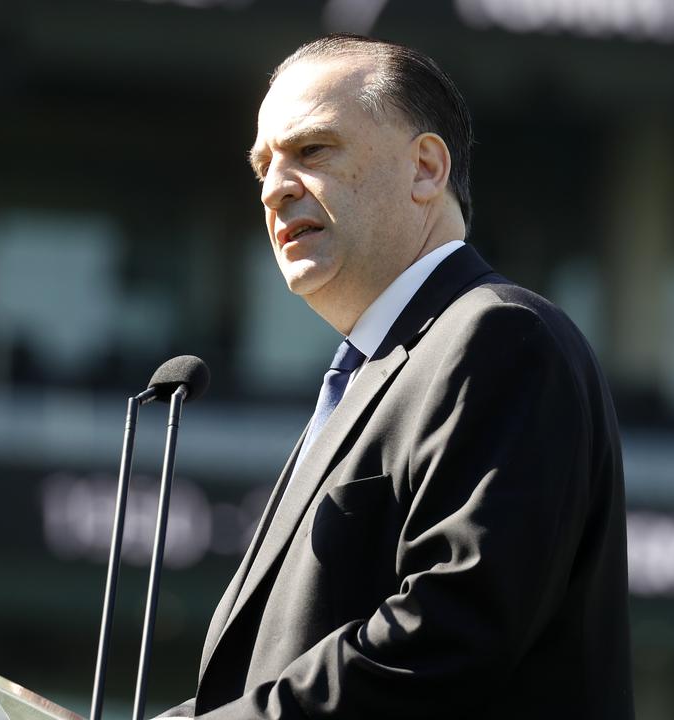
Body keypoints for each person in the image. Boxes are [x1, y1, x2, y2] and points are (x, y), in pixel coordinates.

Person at [162, 33, 633, 719]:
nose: (273, 188)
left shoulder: (499, 337)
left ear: (425, 168)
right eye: (263, 165)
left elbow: (446, 637)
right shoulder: (371, 373)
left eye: (312, 150)